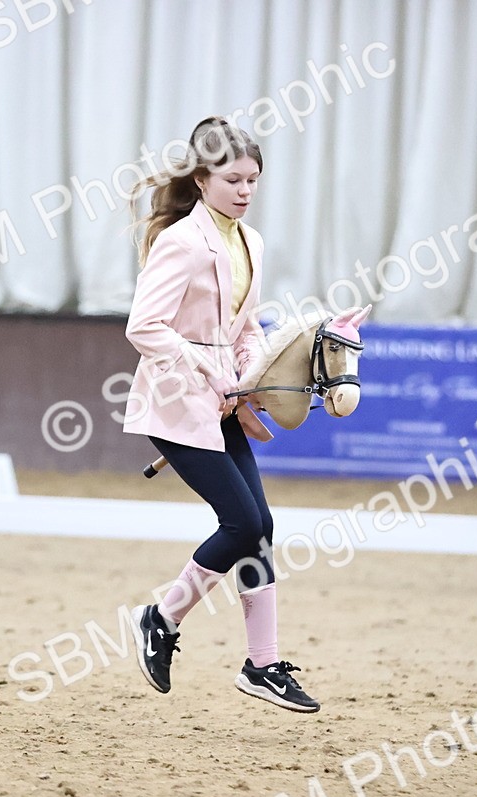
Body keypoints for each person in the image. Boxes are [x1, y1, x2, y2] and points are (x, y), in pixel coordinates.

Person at [122, 116, 319, 713]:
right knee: (240, 524)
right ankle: (161, 616)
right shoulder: (180, 241)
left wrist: (254, 374)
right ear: (203, 180)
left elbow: (242, 330)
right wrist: (204, 368)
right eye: (233, 179)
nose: (244, 190)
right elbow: (143, 327)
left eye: (253, 180)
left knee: (260, 528)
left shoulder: (249, 242)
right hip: (175, 403)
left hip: (225, 404)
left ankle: (262, 665)